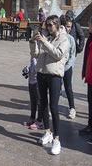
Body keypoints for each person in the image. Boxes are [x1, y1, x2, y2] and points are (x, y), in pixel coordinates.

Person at [32, 15, 70, 155]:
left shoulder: (64, 39)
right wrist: (33, 42)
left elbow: (58, 54)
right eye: (46, 25)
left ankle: (56, 139)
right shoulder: (46, 38)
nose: (47, 27)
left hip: (54, 76)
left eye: (50, 25)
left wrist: (44, 42)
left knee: (54, 107)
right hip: (42, 73)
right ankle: (47, 132)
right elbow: (36, 55)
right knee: (42, 104)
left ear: (57, 25)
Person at [61, 20, 77, 120]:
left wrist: (67, 66)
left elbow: (72, 54)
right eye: (67, 26)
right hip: (57, 67)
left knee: (68, 88)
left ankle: (72, 107)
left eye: (70, 27)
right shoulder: (57, 38)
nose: (68, 29)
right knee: (56, 88)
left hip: (67, 68)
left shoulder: (71, 39)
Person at [22, 55, 40, 130]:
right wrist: (28, 70)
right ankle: (32, 117)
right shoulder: (33, 51)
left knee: (39, 101)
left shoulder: (42, 49)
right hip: (31, 79)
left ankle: (40, 120)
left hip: (38, 80)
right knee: (33, 100)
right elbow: (33, 65)